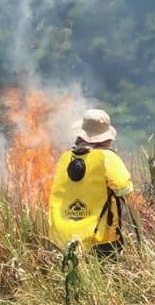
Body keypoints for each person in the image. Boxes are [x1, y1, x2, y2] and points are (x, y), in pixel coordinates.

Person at [49, 108, 135, 256]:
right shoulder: (107, 157)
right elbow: (123, 189)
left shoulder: (65, 158)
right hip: (100, 238)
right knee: (106, 276)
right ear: (106, 138)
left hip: (63, 236)